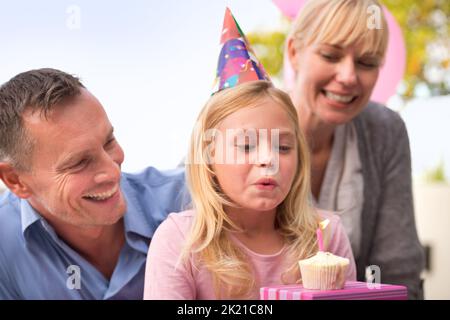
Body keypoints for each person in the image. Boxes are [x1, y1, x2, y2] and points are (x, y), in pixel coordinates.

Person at [143, 8, 356, 300]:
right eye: (246, 146)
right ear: (209, 156)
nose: (268, 160)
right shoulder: (180, 242)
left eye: (283, 147)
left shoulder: (327, 238)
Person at [0, 68, 188, 299]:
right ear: (15, 180)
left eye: (109, 141)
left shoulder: (192, 200)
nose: (112, 171)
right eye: (79, 162)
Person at [285, 0, 425, 298]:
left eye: (367, 63)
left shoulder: (384, 131)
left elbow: (398, 274)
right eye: (330, 55)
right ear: (294, 52)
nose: (348, 76)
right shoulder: (244, 125)